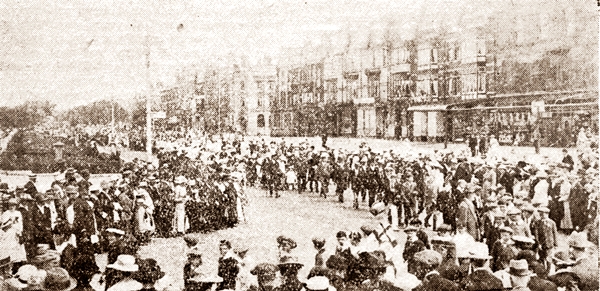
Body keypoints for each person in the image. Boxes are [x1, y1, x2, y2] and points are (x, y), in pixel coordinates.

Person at [0, 198, 27, 267]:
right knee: (8, 249)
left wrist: (20, 232)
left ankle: (17, 265)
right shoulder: (5, 213)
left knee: (17, 249)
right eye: (10, 205)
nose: (12, 207)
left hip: (16, 233)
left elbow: (20, 224)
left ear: (16, 206)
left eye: (13, 205)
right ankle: (8, 264)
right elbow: (3, 226)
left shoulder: (18, 213)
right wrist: (9, 222)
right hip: (8, 233)